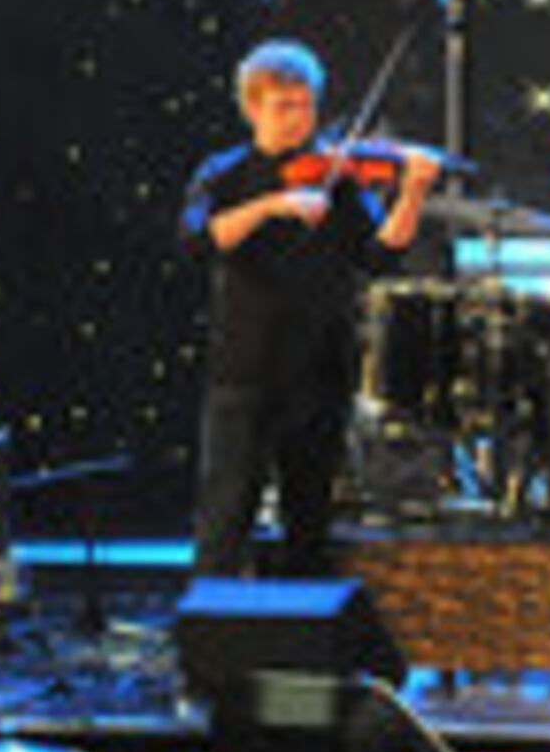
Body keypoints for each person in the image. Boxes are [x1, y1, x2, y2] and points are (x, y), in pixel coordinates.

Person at [178, 41, 438, 579]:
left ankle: (304, 650)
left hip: (321, 370)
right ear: (252, 108)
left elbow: (380, 257)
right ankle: (212, 650)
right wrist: (273, 205)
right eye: (283, 107)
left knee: (310, 525)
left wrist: (411, 194)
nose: (300, 120)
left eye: (306, 106)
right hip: (245, 370)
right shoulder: (222, 173)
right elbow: (198, 239)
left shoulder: (339, 181)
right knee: (224, 520)